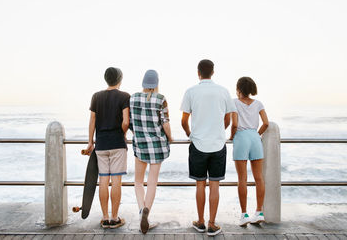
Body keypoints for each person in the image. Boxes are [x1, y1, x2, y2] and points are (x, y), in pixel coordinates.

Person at [180, 59, 236, 236]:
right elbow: (228, 118)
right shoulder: (223, 91)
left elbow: (183, 120)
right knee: (214, 185)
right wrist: (219, 131)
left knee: (199, 184)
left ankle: (201, 222)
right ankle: (212, 223)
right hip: (218, 144)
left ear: (198, 72)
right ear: (213, 72)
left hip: (198, 143)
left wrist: (191, 134)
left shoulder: (191, 91)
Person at [85, 67, 130, 229]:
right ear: (120, 79)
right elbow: (126, 122)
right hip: (117, 144)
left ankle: (105, 218)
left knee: (103, 180)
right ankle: (115, 218)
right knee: (116, 180)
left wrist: (90, 142)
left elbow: (92, 121)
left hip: (101, 144)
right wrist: (122, 133)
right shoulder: (125, 96)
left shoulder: (96, 96)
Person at [129, 69, 173, 234]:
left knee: (138, 181)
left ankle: (142, 211)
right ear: (156, 83)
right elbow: (165, 123)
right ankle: (147, 211)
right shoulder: (161, 99)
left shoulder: (132, 98)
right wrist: (171, 137)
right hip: (157, 145)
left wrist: (138, 134)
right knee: (152, 182)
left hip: (140, 144)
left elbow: (130, 122)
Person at [229, 76, 269, 226]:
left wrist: (233, 136)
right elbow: (266, 123)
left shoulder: (234, 102)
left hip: (241, 138)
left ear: (239, 89)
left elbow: (234, 124)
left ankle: (244, 214)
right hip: (255, 138)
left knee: (242, 179)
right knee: (259, 178)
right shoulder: (258, 103)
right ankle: (259, 212)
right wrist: (256, 134)